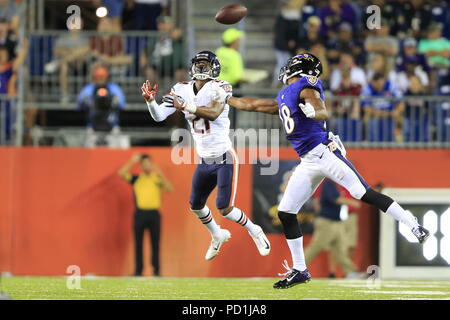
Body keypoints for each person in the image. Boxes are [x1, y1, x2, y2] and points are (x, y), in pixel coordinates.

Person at [217, 53, 430, 289]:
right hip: (308, 160)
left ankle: (412, 224)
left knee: (362, 193)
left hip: (324, 153)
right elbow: (255, 105)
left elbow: (321, 108)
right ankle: (300, 269)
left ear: (297, 68)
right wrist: (228, 98)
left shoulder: (305, 85)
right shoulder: (285, 95)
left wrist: (315, 113)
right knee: (286, 212)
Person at [141, 50, 271, 260]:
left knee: (225, 208)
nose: (202, 68)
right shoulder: (181, 88)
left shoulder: (219, 86)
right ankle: (217, 234)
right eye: (199, 64)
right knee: (196, 205)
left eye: (206, 65)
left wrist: (186, 105)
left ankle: (254, 229)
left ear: (214, 68)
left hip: (224, 157)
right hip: (204, 159)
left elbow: (214, 113)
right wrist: (150, 102)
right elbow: (158, 116)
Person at [118, 153, 173, 276]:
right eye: (144, 164)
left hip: (154, 214)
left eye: (149, 163)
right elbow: (121, 173)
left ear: (152, 164)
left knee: (155, 244)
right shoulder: (137, 179)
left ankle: (157, 271)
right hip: (140, 214)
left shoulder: (157, 179)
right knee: (138, 244)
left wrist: (160, 173)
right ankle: (138, 271)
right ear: (141, 166)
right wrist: (132, 161)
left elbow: (169, 189)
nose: (147, 166)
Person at [305, 179, 362, 278]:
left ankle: (351, 272)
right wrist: (352, 202)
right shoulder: (328, 182)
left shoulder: (334, 184)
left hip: (336, 222)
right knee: (315, 247)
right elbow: (335, 198)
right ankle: (297, 268)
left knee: (340, 250)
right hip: (326, 222)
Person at [76, 64, 126, 147]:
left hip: (112, 127)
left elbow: (122, 104)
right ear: (94, 77)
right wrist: (88, 102)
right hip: (92, 127)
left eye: (102, 76)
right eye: (98, 76)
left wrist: (113, 101)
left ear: (107, 77)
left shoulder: (114, 88)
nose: (100, 79)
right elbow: (79, 105)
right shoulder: (88, 89)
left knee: (116, 152)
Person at [140, 15, 186, 86]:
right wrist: (144, 62)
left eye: (167, 24)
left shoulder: (176, 34)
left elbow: (180, 33)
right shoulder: (154, 37)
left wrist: (176, 33)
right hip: (157, 64)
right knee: (150, 73)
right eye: (162, 24)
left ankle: (179, 95)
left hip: (174, 64)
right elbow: (146, 50)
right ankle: (152, 96)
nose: (164, 26)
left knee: (180, 74)